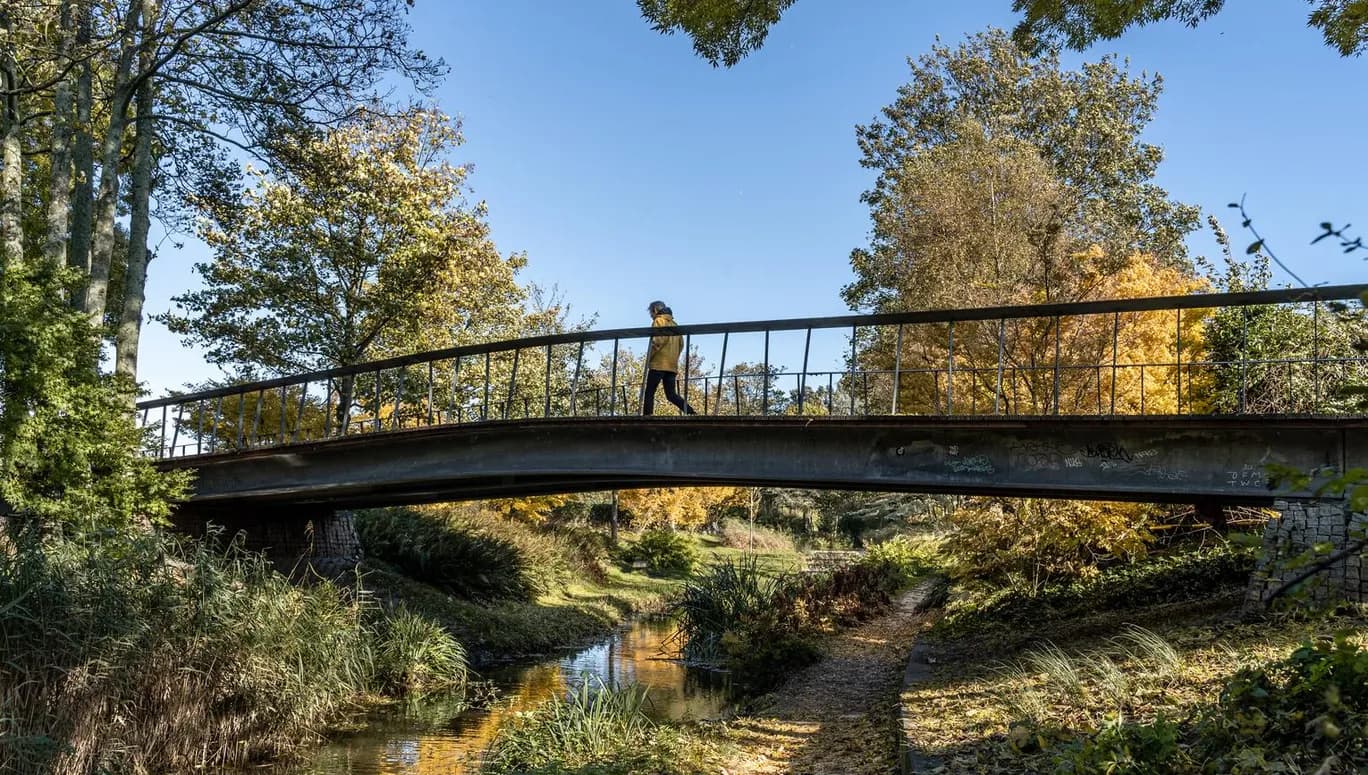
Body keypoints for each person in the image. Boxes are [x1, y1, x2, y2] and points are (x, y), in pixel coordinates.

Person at [643, 300, 698, 416]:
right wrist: (673, 358)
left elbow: (657, 341)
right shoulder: (675, 324)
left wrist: (649, 359)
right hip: (671, 366)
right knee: (671, 395)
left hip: (658, 364)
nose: (651, 317)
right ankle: (691, 412)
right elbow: (681, 344)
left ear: (655, 310)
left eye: (651, 314)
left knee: (649, 392)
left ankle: (647, 418)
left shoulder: (659, 321)